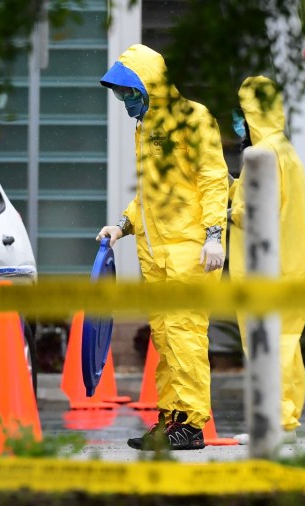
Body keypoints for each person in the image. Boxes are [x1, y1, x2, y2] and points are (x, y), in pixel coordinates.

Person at [95, 44, 230, 451]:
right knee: (166, 340)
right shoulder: (146, 129)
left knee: (185, 337)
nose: (125, 101)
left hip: (189, 253)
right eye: (121, 94)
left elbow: (212, 178)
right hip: (157, 258)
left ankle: (191, 424)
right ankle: (172, 421)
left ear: (150, 85)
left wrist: (213, 235)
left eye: (130, 92)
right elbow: (150, 197)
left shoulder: (194, 119)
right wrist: (122, 226)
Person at [228, 75, 305, 445]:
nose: (237, 123)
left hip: (264, 267)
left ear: (252, 114)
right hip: (290, 264)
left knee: (268, 342)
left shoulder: (265, 154)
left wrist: (228, 208)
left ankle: (274, 423)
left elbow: (252, 210)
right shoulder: (287, 151)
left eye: (241, 114)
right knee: (287, 341)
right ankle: (286, 418)